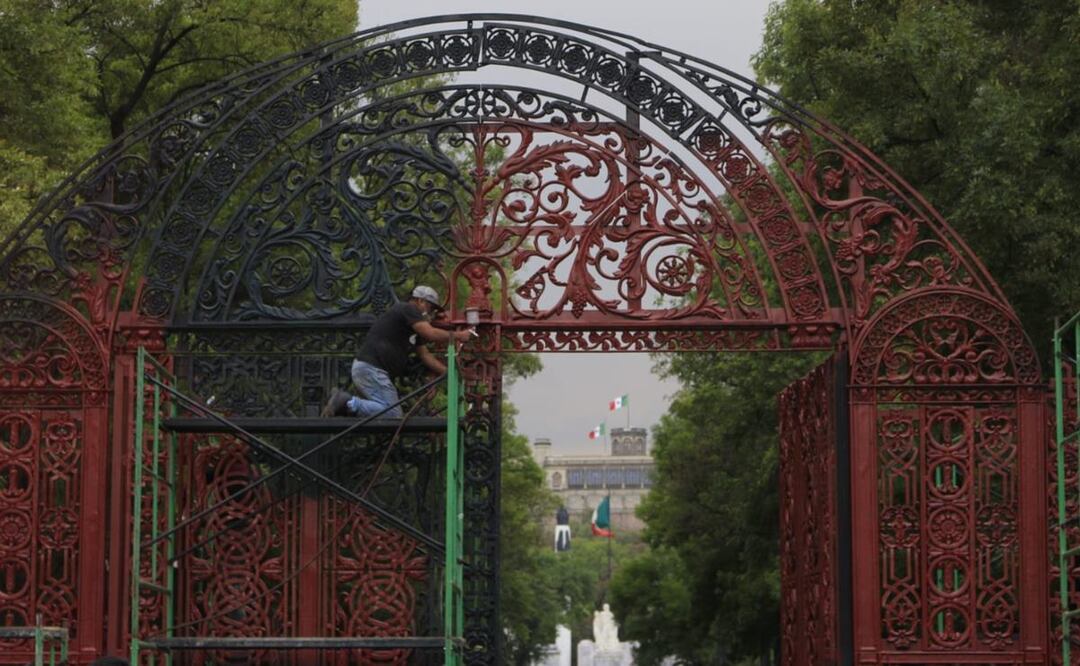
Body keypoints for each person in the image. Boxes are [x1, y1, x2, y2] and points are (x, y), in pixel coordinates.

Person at [322, 285, 472, 418]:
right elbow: (430, 333)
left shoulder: (413, 327)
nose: (431, 313)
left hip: (371, 370)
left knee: (386, 413)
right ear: (420, 301)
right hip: (372, 368)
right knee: (392, 414)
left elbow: (425, 355)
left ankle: (347, 405)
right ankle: (347, 402)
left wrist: (450, 372)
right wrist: (459, 335)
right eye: (431, 308)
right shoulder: (408, 309)